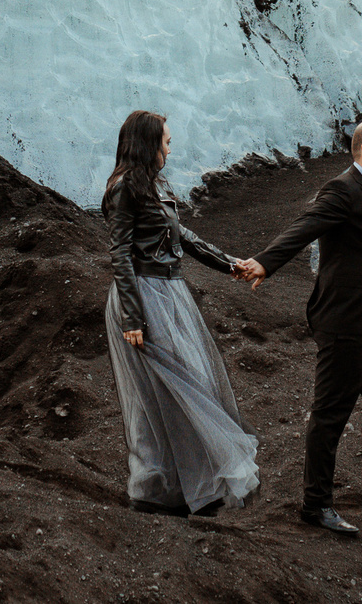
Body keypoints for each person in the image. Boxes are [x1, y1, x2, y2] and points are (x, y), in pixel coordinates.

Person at [230, 118, 362, 537]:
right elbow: (306, 226)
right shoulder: (343, 189)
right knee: (330, 414)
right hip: (343, 322)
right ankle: (315, 505)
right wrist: (266, 261)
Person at [101, 109, 260, 516]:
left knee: (189, 385)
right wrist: (133, 318)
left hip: (169, 295)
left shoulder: (153, 186)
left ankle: (178, 488)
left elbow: (182, 237)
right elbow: (119, 254)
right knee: (165, 394)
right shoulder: (123, 189)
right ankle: (160, 489)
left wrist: (230, 263)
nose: (170, 148)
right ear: (148, 144)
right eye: (166, 142)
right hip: (143, 296)